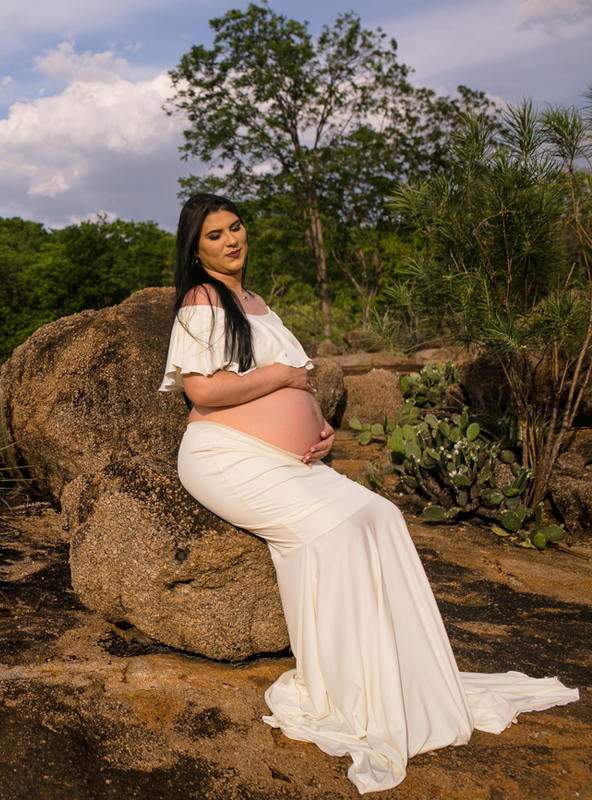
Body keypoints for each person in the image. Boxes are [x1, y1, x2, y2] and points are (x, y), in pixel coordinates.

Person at [158, 193, 580, 794]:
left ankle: (398, 676)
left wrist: (317, 425)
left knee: (381, 514)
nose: (232, 240)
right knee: (340, 530)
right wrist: (284, 380)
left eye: (236, 226)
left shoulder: (258, 302)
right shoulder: (202, 300)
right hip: (225, 458)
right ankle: (348, 688)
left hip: (287, 458)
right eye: (214, 235)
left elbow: (275, 392)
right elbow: (202, 391)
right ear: (195, 253)